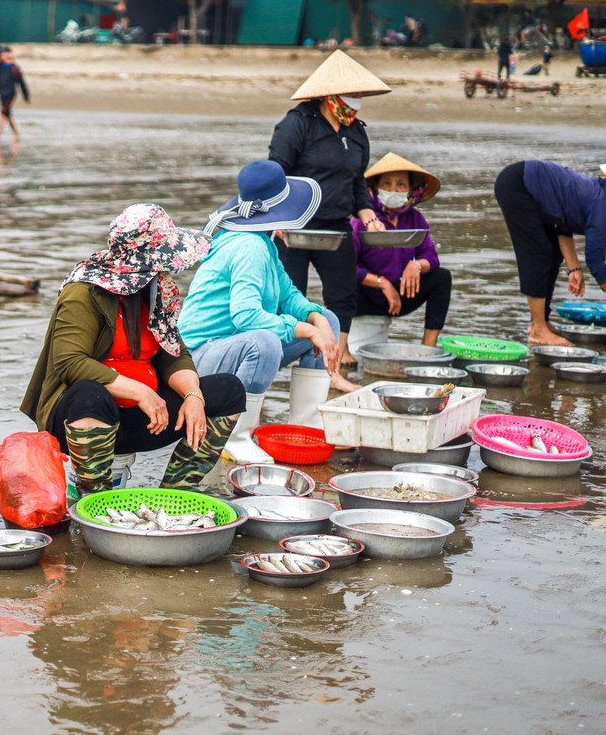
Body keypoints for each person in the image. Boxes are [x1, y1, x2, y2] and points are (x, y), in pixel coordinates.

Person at [20, 204, 246, 497]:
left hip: (148, 419)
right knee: (90, 393)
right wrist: (143, 393)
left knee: (229, 389)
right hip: (83, 418)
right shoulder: (83, 292)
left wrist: (193, 396)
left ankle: (176, 495)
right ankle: (95, 501)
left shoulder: (154, 288)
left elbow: (173, 352)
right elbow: (70, 363)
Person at [180, 161, 352, 465]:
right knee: (265, 342)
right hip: (198, 357)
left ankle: (305, 425)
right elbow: (246, 317)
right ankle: (235, 436)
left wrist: (316, 319)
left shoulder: (264, 244)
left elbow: (289, 296)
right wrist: (307, 331)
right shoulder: (250, 247)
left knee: (330, 320)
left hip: (232, 346)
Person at [269, 50, 389, 367]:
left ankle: (337, 357)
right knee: (291, 294)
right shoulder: (297, 124)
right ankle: (291, 355)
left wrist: (369, 217)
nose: (357, 100)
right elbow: (276, 171)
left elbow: (357, 184)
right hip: (294, 227)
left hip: (335, 227)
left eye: (360, 95)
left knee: (343, 293)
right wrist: (276, 215)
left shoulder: (356, 132)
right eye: (352, 94)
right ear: (330, 94)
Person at [493, 159, 606, 345]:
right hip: (518, 185)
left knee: (552, 252)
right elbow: (595, 261)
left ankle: (542, 322)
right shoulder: (603, 204)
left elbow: (562, 224)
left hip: (529, 187)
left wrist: (573, 268)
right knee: (539, 253)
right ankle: (538, 329)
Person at [346, 153, 452, 356]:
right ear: (375, 188)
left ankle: (428, 349)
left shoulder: (416, 219)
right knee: (343, 284)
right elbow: (347, 268)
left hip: (402, 294)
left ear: (410, 189)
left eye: (401, 185)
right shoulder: (362, 221)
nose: (393, 190)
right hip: (366, 296)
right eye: (387, 184)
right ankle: (344, 349)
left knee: (442, 278)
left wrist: (417, 266)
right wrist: (381, 283)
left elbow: (431, 256)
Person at [0, 48, 30, 143]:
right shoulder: (0, 66)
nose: (2, 56)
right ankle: (17, 135)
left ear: (9, 54)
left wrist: (26, 96)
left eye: (4, 54)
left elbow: (21, 82)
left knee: (3, 113)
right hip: (1, 93)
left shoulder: (14, 68)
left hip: (10, 93)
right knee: (8, 115)